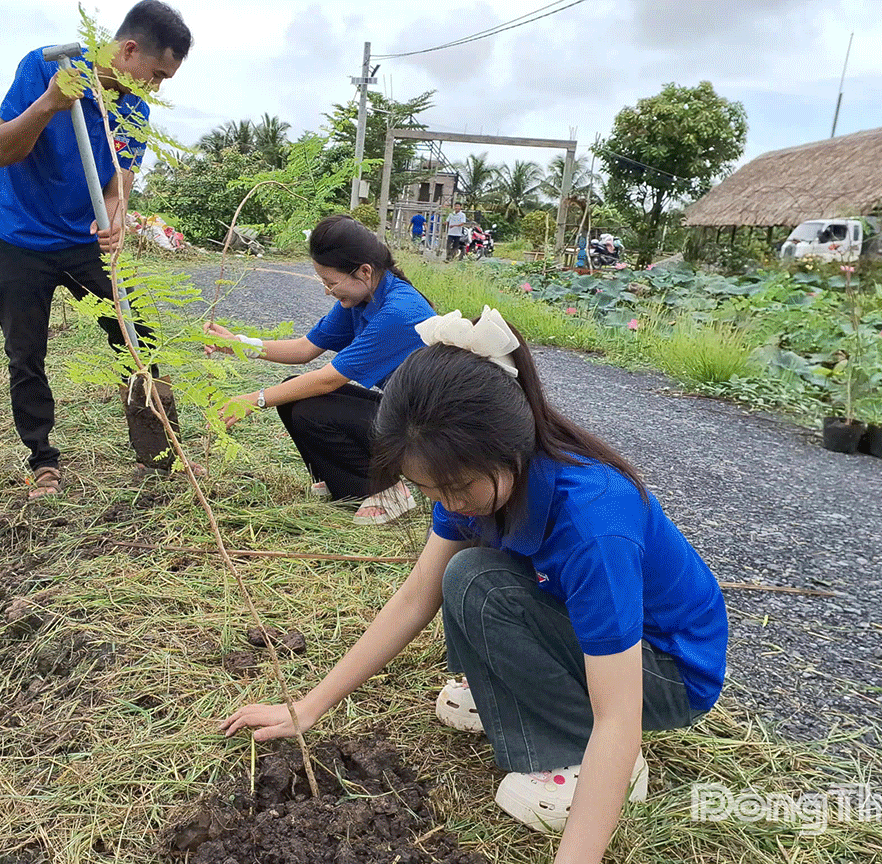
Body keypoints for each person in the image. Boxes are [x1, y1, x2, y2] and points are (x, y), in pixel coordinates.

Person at [222, 306, 729, 853]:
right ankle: (519, 696)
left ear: (512, 448)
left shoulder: (595, 525)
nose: (448, 504)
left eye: (457, 488)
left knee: (479, 581)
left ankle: (576, 757)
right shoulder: (467, 484)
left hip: (666, 672)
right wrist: (309, 706)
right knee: (462, 573)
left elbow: (618, 716)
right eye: (430, 490)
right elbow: (418, 595)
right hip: (585, 634)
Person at [0, 1, 193, 497]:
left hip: (83, 240)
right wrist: (51, 103)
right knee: (26, 351)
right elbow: (1, 149)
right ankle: (43, 462)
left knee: (136, 334)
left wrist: (115, 222)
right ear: (129, 49)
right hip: (19, 236)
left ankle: (157, 453)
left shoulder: (134, 107)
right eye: (155, 74)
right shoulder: (44, 67)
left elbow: (119, 187)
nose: (155, 88)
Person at [203, 215, 434, 525]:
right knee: (291, 392)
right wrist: (237, 344)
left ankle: (387, 492)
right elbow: (304, 349)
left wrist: (253, 400)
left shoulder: (399, 311)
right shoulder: (361, 299)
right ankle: (335, 477)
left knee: (311, 407)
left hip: (429, 431)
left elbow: (327, 380)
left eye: (331, 282)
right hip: (403, 414)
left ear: (364, 271)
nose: (327, 291)